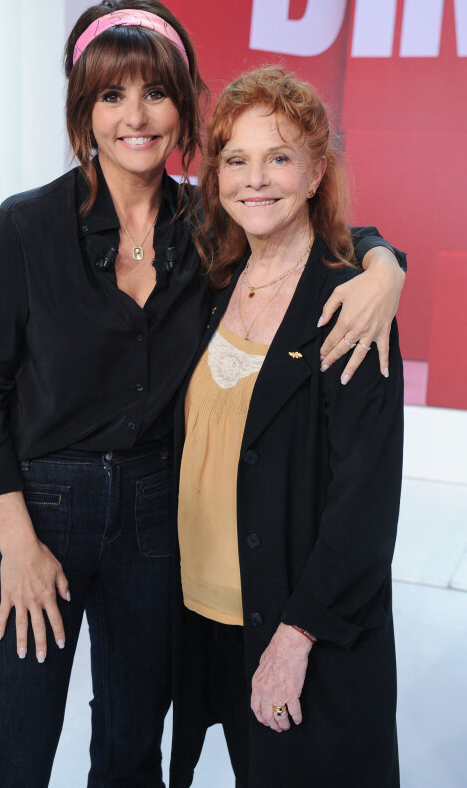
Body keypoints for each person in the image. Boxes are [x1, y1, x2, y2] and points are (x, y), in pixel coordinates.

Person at [0, 0, 405, 788]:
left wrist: (383, 262)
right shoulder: (25, 227)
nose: (137, 115)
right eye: (112, 94)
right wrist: (16, 544)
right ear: (82, 110)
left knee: (131, 755)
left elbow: (298, 220)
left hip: (154, 518)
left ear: (182, 105)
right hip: (33, 511)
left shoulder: (205, 225)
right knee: (10, 759)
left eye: (156, 91)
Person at [171, 66, 404, 788]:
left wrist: (296, 638)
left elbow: (364, 502)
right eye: (236, 159)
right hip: (207, 620)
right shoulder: (212, 277)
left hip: (299, 628)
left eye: (279, 157)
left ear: (315, 172)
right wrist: (387, 256)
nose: (255, 179)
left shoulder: (350, 304)